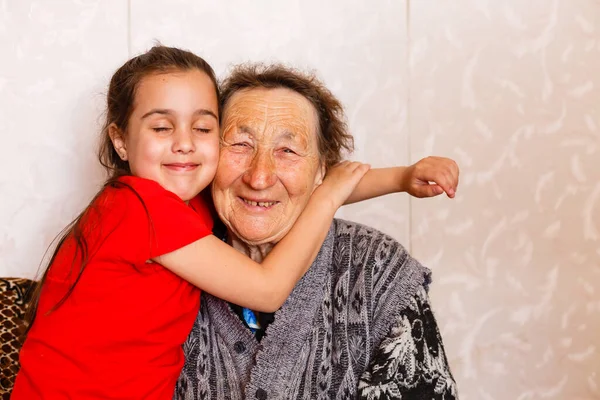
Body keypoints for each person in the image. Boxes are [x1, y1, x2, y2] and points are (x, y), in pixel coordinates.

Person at [11, 46, 380, 400]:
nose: (185, 143)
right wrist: (329, 198)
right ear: (120, 140)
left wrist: (403, 178)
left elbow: (311, 184)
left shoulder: (184, 201)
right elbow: (268, 290)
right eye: (161, 128)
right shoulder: (141, 210)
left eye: (202, 129)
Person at [176, 63, 459, 399]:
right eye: (240, 144)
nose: (259, 177)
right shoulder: (169, 262)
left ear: (322, 171)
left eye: (288, 151)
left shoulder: (376, 269)